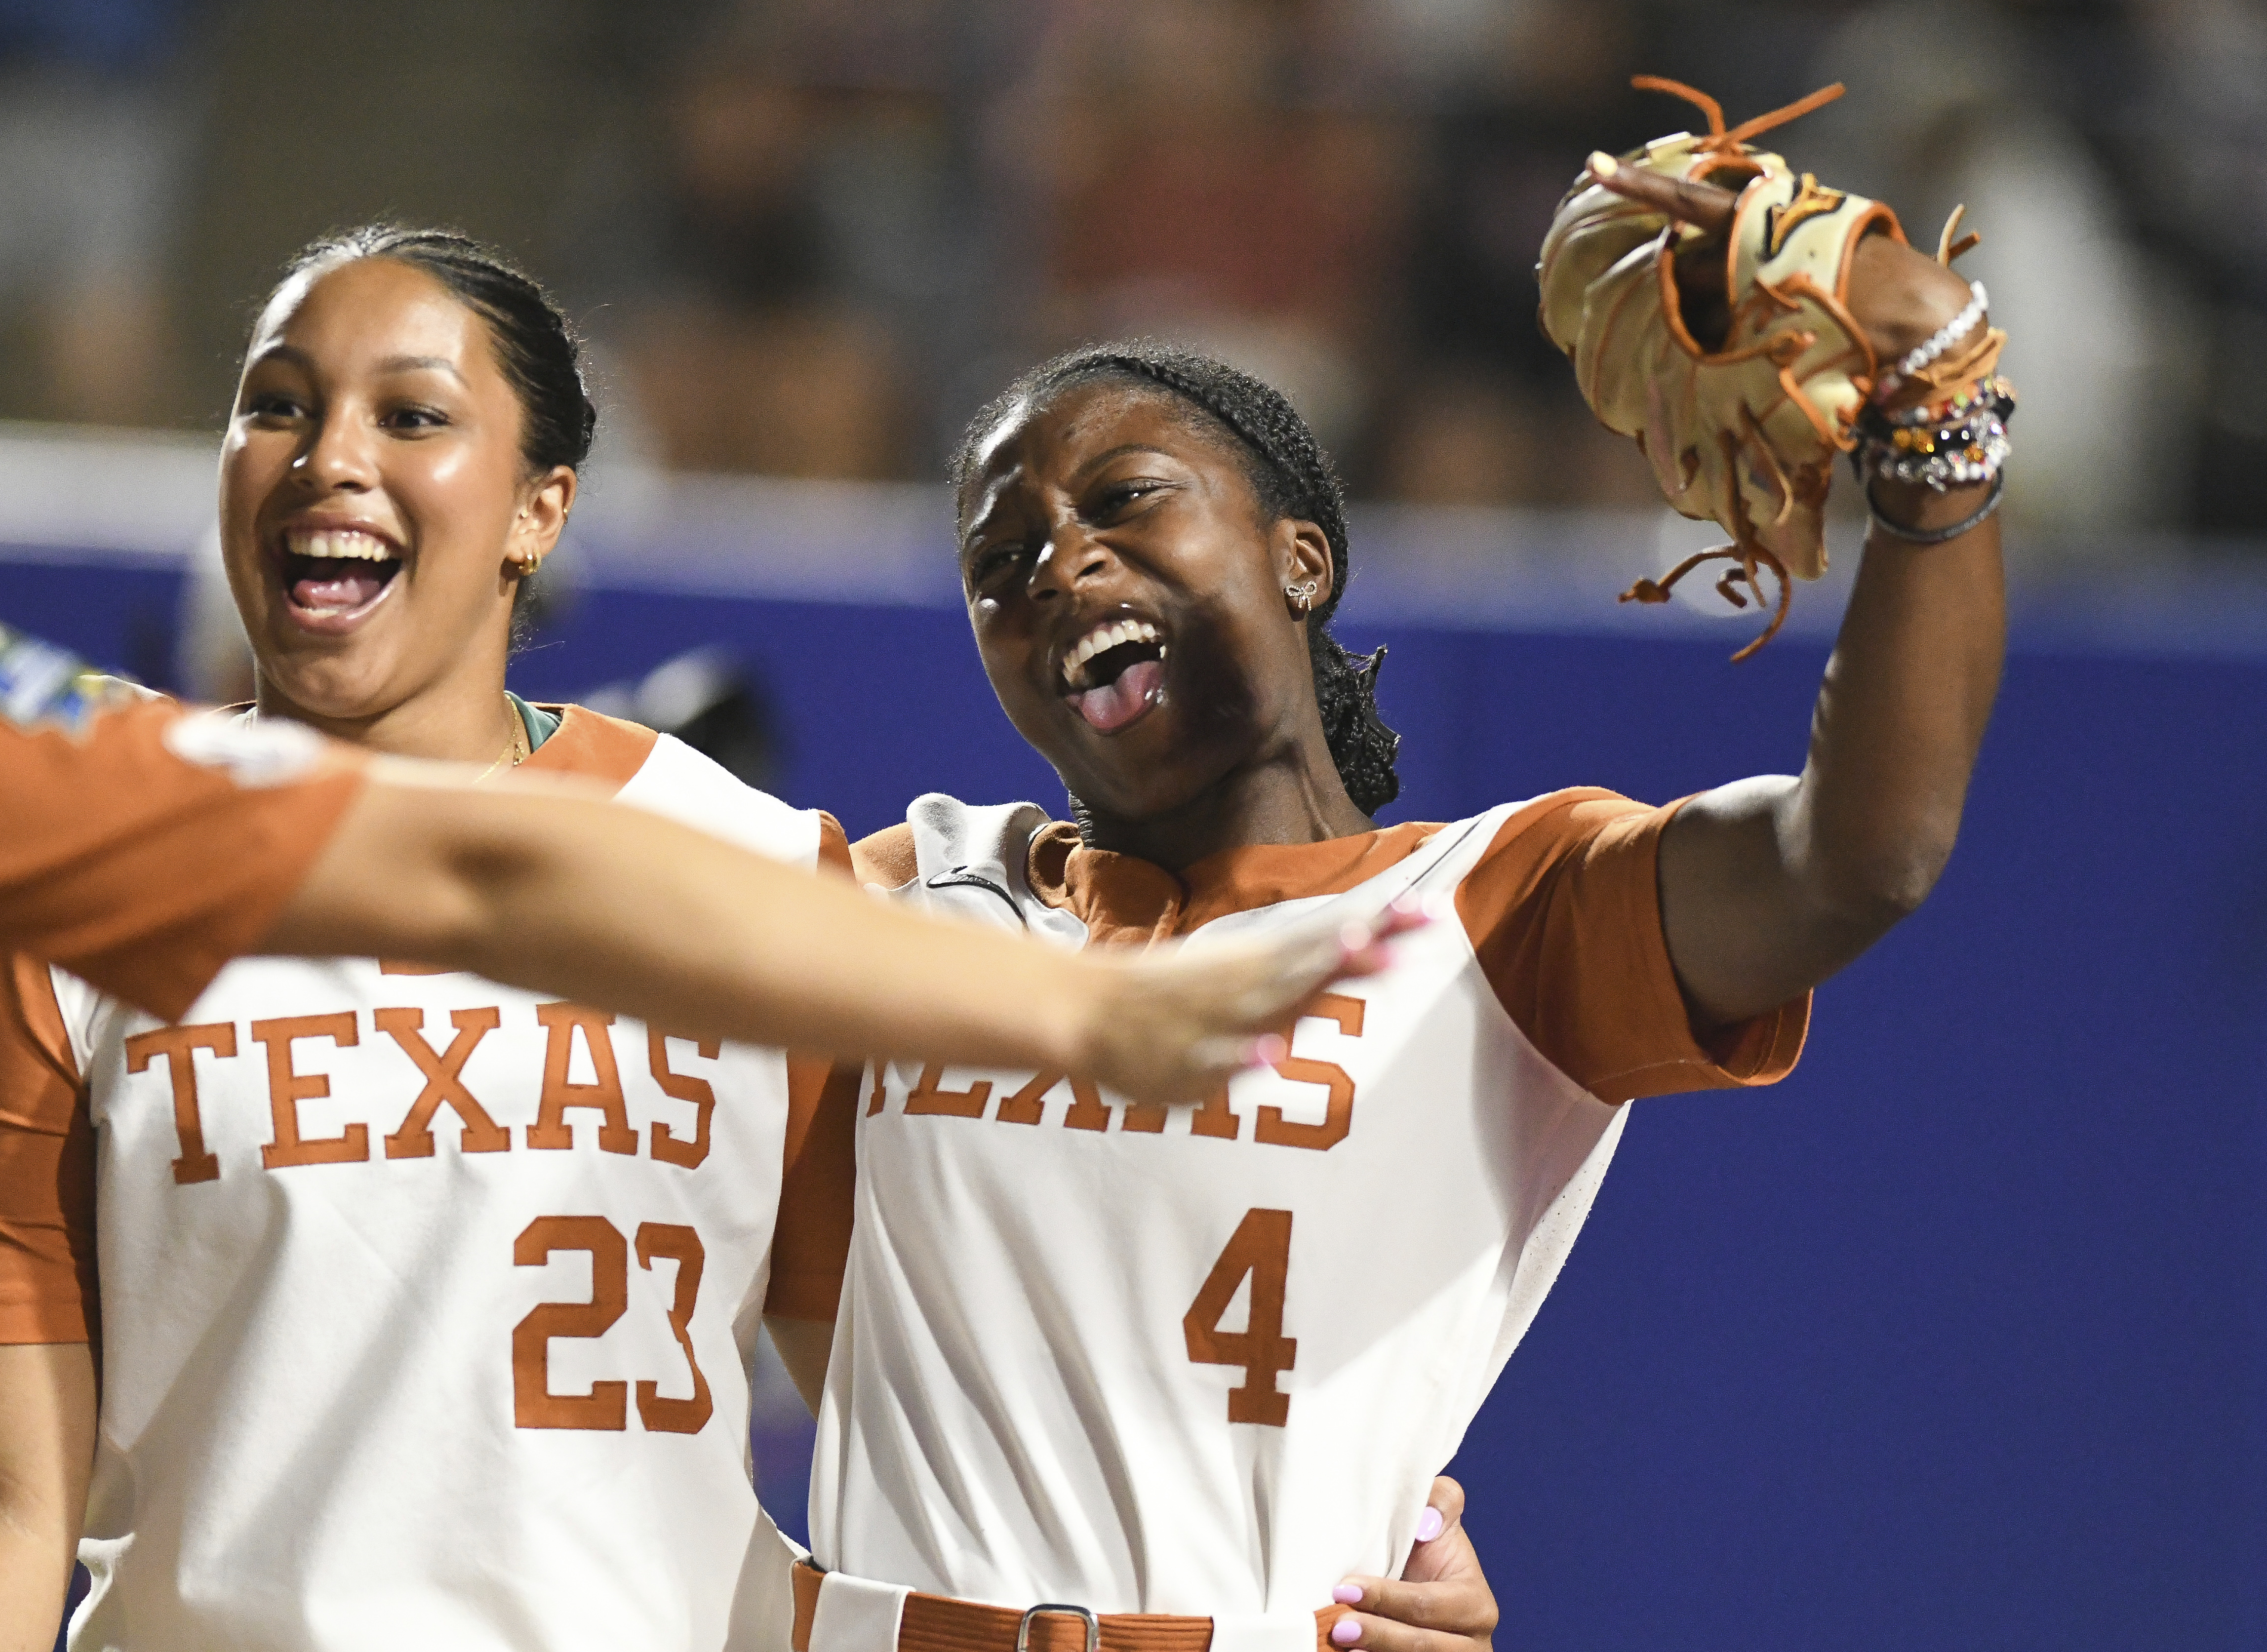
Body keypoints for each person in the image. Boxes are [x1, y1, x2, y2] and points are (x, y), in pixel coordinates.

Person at [0, 226, 1467, 1652]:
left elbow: (980, 1431)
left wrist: (1325, 1573)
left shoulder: (756, 872)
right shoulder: (69, 908)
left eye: (411, 414)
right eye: (275, 404)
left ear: (541, 506)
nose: (329, 454)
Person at [795, 166, 2002, 1648]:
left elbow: (1858, 857)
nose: (1056, 563)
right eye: (998, 565)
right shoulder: (900, 896)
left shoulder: (1500, 908)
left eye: (1121, 499)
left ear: (1299, 554)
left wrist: (1936, 435)